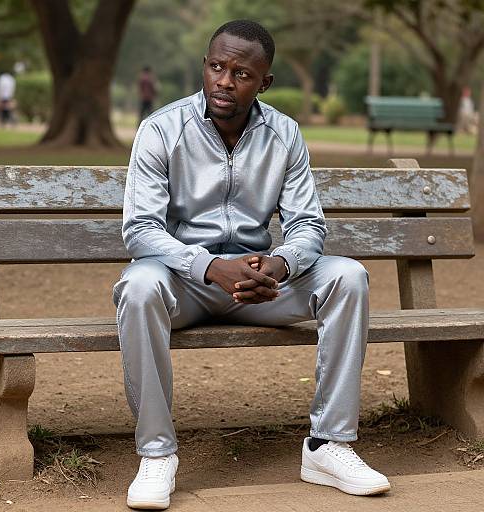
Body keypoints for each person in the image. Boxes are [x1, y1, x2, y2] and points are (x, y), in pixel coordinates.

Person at [114, 19, 390, 510]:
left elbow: (308, 225)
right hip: (185, 286)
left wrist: (280, 265)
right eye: (216, 66)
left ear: (264, 82)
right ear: (204, 67)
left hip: (263, 286)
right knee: (138, 286)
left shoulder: (285, 135)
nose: (224, 80)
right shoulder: (161, 129)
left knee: (348, 276)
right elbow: (140, 230)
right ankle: (157, 454)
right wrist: (207, 266)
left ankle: (328, 446)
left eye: (241, 73)